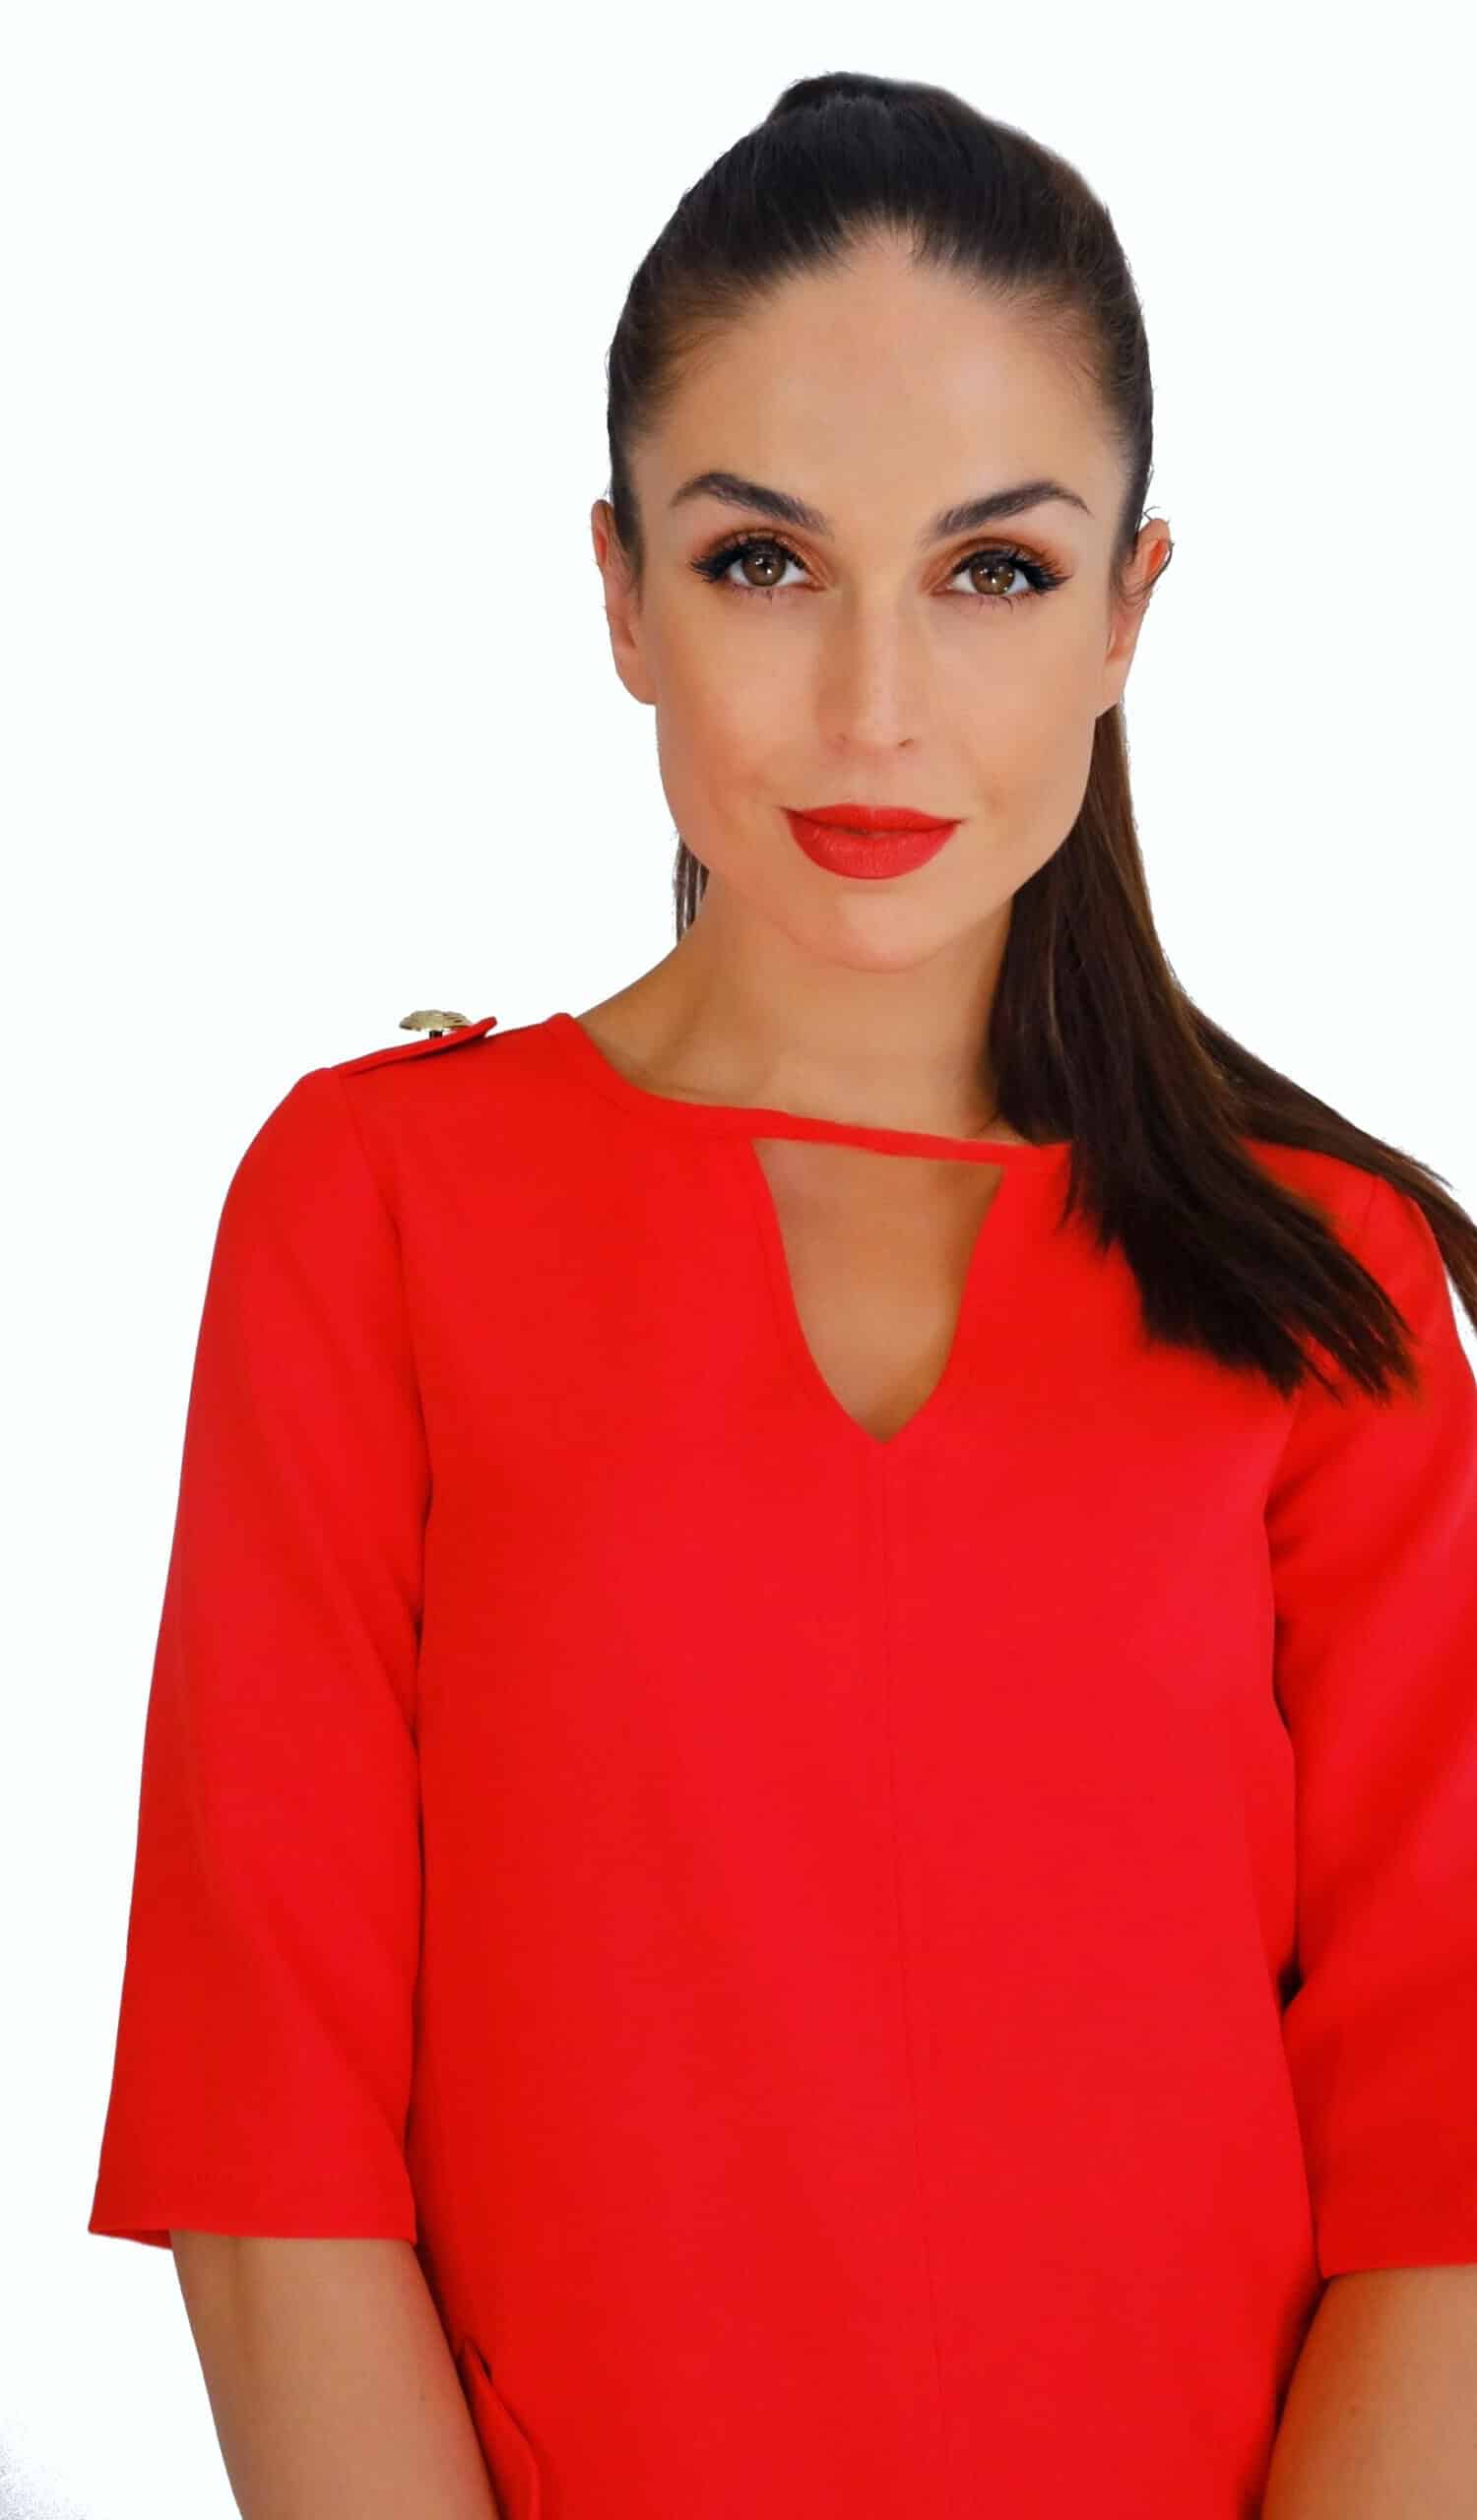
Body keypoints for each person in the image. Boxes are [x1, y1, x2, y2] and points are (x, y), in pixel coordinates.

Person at [88, 68, 1477, 2520]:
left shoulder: (1328, 1296)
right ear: (619, 594)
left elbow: (1443, 2167)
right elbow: (267, 2120)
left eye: (994, 571)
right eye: (761, 561)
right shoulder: (373, 1206)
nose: (874, 706)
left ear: (1131, 610)